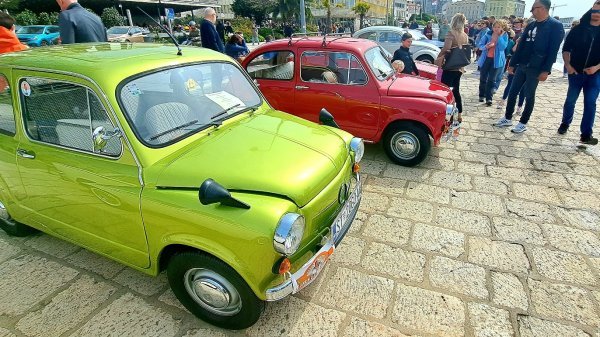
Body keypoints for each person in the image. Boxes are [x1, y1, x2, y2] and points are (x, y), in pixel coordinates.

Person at [493, 0, 564, 133]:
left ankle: (523, 122)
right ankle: (508, 117)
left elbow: (553, 50)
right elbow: (521, 46)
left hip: (537, 67)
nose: (531, 12)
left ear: (542, 8)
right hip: (523, 64)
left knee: (529, 95)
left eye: (534, 9)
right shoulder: (531, 25)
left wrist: (546, 70)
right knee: (513, 92)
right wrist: (513, 63)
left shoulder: (555, 26)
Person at [557, 1, 600, 145]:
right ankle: (565, 123)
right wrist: (568, 66)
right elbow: (566, 49)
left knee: (590, 102)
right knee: (570, 101)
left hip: (595, 74)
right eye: (594, 10)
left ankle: (586, 134)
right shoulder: (579, 29)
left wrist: (596, 67)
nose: (596, 14)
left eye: (599, 11)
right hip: (575, 72)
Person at [435, 13, 469, 123]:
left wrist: (439, 57)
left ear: (453, 21)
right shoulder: (465, 35)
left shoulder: (451, 33)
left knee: (445, 91)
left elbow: (446, 48)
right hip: (459, 67)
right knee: (456, 91)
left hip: (449, 67)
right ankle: (459, 114)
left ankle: (447, 115)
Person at [477, 20, 509, 106]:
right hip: (486, 59)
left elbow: (503, 47)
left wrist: (500, 37)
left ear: (502, 28)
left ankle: (489, 98)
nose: (496, 29)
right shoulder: (488, 34)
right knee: (483, 77)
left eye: (499, 27)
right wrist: (485, 47)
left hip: (496, 61)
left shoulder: (504, 35)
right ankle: (481, 95)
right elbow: (480, 45)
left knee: (491, 79)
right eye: (495, 27)